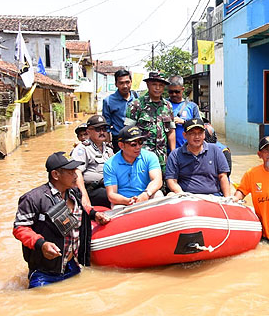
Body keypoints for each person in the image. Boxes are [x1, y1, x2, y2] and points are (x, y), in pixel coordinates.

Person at [12, 152, 110, 288]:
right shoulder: (33, 199)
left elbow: (81, 209)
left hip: (72, 265)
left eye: (75, 171)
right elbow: (20, 229)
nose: (76, 175)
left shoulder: (74, 193)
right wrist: (42, 244)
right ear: (55, 175)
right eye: (70, 172)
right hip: (45, 272)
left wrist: (94, 214)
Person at [125, 71, 176, 172]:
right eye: (154, 84)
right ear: (148, 85)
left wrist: (173, 154)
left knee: (162, 185)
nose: (157, 88)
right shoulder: (136, 105)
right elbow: (128, 132)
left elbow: (171, 131)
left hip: (162, 158)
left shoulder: (168, 106)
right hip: (141, 156)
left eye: (161, 85)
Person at [165, 118, 231, 196]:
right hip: (186, 197)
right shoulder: (175, 155)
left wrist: (227, 199)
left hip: (213, 196)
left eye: (200, 133)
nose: (197, 137)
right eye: (192, 133)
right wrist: (181, 194)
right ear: (185, 135)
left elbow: (223, 176)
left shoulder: (215, 150)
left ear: (204, 135)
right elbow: (171, 180)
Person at [103, 125, 163, 207]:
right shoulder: (110, 164)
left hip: (146, 196)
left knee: (158, 194)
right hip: (123, 202)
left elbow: (157, 180)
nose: (138, 147)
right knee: (117, 207)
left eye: (140, 143)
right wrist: (128, 201)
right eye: (133, 144)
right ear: (121, 145)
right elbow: (112, 195)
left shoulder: (150, 157)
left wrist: (146, 194)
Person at [71, 114, 114, 209]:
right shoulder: (83, 149)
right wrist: (84, 195)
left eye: (104, 129)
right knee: (115, 197)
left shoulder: (108, 149)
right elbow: (76, 172)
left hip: (109, 185)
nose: (102, 132)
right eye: (98, 129)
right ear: (88, 131)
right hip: (92, 189)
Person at [102, 69, 138, 152]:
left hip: (136, 139)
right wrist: (108, 146)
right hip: (119, 141)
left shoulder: (137, 98)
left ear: (131, 82)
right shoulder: (108, 101)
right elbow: (106, 126)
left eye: (127, 82)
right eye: (121, 83)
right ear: (116, 84)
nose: (125, 86)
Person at [167, 75, 200, 148]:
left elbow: (200, 128)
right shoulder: (163, 105)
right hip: (167, 151)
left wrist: (184, 122)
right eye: (171, 92)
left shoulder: (192, 106)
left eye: (177, 92)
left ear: (182, 89)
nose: (174, 94)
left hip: (187, 150)